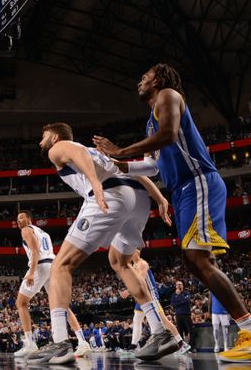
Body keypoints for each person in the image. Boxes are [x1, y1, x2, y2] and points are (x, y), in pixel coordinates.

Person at [93, 63, 251, 362]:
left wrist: (121, 151)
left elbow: (169, 135)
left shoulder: (168, 95)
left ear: (160, 80)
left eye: (145, 76)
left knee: (198, 259)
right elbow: (155, 165)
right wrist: (122, 165)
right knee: (195, 263)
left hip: (198, 182)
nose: (140, 80)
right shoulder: (149, 123)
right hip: (181, 190)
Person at [30, 123, 177, 364]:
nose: (40, 142)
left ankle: (60, 343)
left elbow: (79, 155)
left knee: (60, 266)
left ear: (54, 137)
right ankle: (160, 332)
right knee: (119, 262)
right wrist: (158, 197)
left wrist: (95, 184)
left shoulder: (58, 148)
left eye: (43, 136)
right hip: (137, 198)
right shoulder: (97, 152)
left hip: (110, 195)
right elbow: (132, 171)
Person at [12, 210, 90, 359]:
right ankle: (82, 342)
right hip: (53, 266)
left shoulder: (26, 230)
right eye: (17, 219)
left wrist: (31, 272)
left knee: (21, 303)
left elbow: (35, 251)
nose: (19, 221)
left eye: (21, 218)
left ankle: (30, 344)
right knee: (62, 306)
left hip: (40, 266)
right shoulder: (43, 232)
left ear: (29, 219)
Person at [124, 250, 191, 355]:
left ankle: (181, 343)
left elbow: (140, 280)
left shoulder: (142, 263)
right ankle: (133, 346)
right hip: (142, 297)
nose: (130, 254)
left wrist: (128, 291)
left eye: (132, 251)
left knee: (163, 320)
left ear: (138, 252)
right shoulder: (134, 265)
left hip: (151, 296)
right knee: (136, 320)